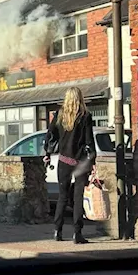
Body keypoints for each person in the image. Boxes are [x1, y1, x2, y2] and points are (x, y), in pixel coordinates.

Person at [44, 87, 96, 244]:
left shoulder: (59, 115)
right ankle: (77, 234)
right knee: (78, 197)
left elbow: (50, 135)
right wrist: (92, 160)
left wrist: (47, 153)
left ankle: (57, 231)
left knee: (62, 197)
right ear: (80, 98)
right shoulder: (85, 116)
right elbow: (89, 140)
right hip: (80, 161)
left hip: (64, 161)